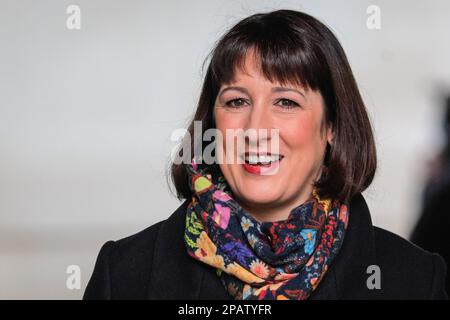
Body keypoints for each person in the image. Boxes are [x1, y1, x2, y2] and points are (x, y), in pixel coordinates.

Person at [84, 9, 447, 300]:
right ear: (212, 122)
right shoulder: (125, 274)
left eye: (286, 102)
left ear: (331, 127)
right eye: (237, 101)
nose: (256, 129)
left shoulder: (413, 280)